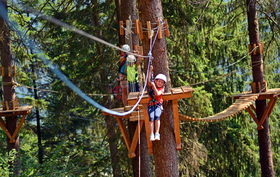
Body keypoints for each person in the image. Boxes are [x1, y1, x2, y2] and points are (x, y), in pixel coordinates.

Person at [147, 65, 167, 141]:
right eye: (158, 81)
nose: (160, 83)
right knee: (151, 117)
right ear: (155, 81)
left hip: (158, 105)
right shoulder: (152, 86)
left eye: (161, 82)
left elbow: (158, 94)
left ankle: (157, 133)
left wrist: (154, 86)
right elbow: (149, 81)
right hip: (151, 104)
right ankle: (151, 134)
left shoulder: (162, 89)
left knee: (157, 116)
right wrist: (150, 71)